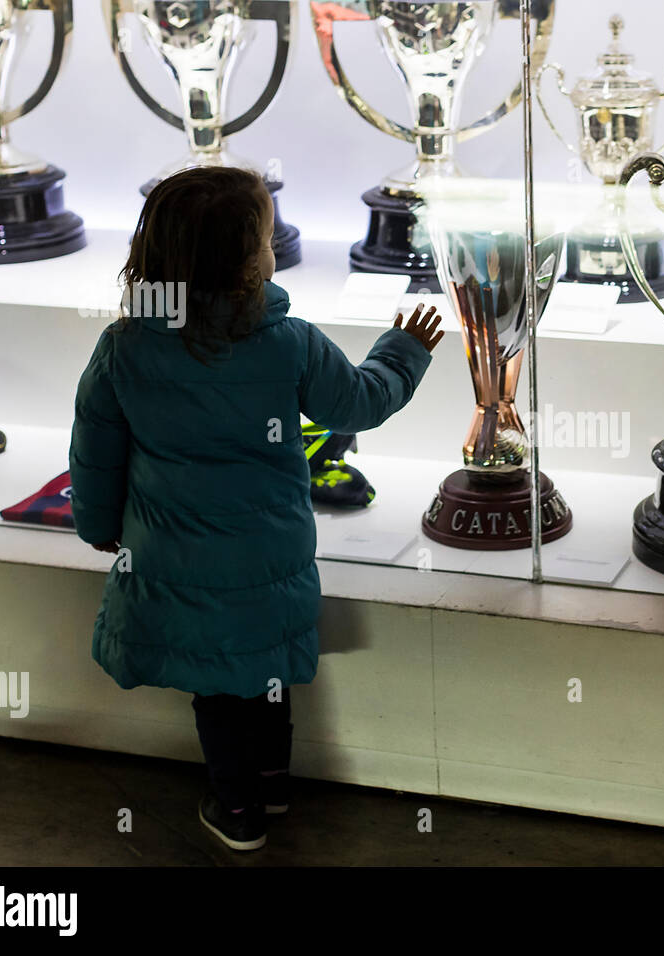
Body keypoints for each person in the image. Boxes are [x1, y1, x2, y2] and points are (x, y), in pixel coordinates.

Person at [68, 166, 444, 852]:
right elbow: (358, 404)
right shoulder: (288, 341)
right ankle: (269, 786)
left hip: (175, 564)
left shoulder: (123, 348)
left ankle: (234, 807)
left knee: (215, 690)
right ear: (246, 262)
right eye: (267, 238)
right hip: (269, 560)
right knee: (267, 676)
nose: (273, 250)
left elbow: (95, 454)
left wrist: (97, 528)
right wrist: (405, 352)